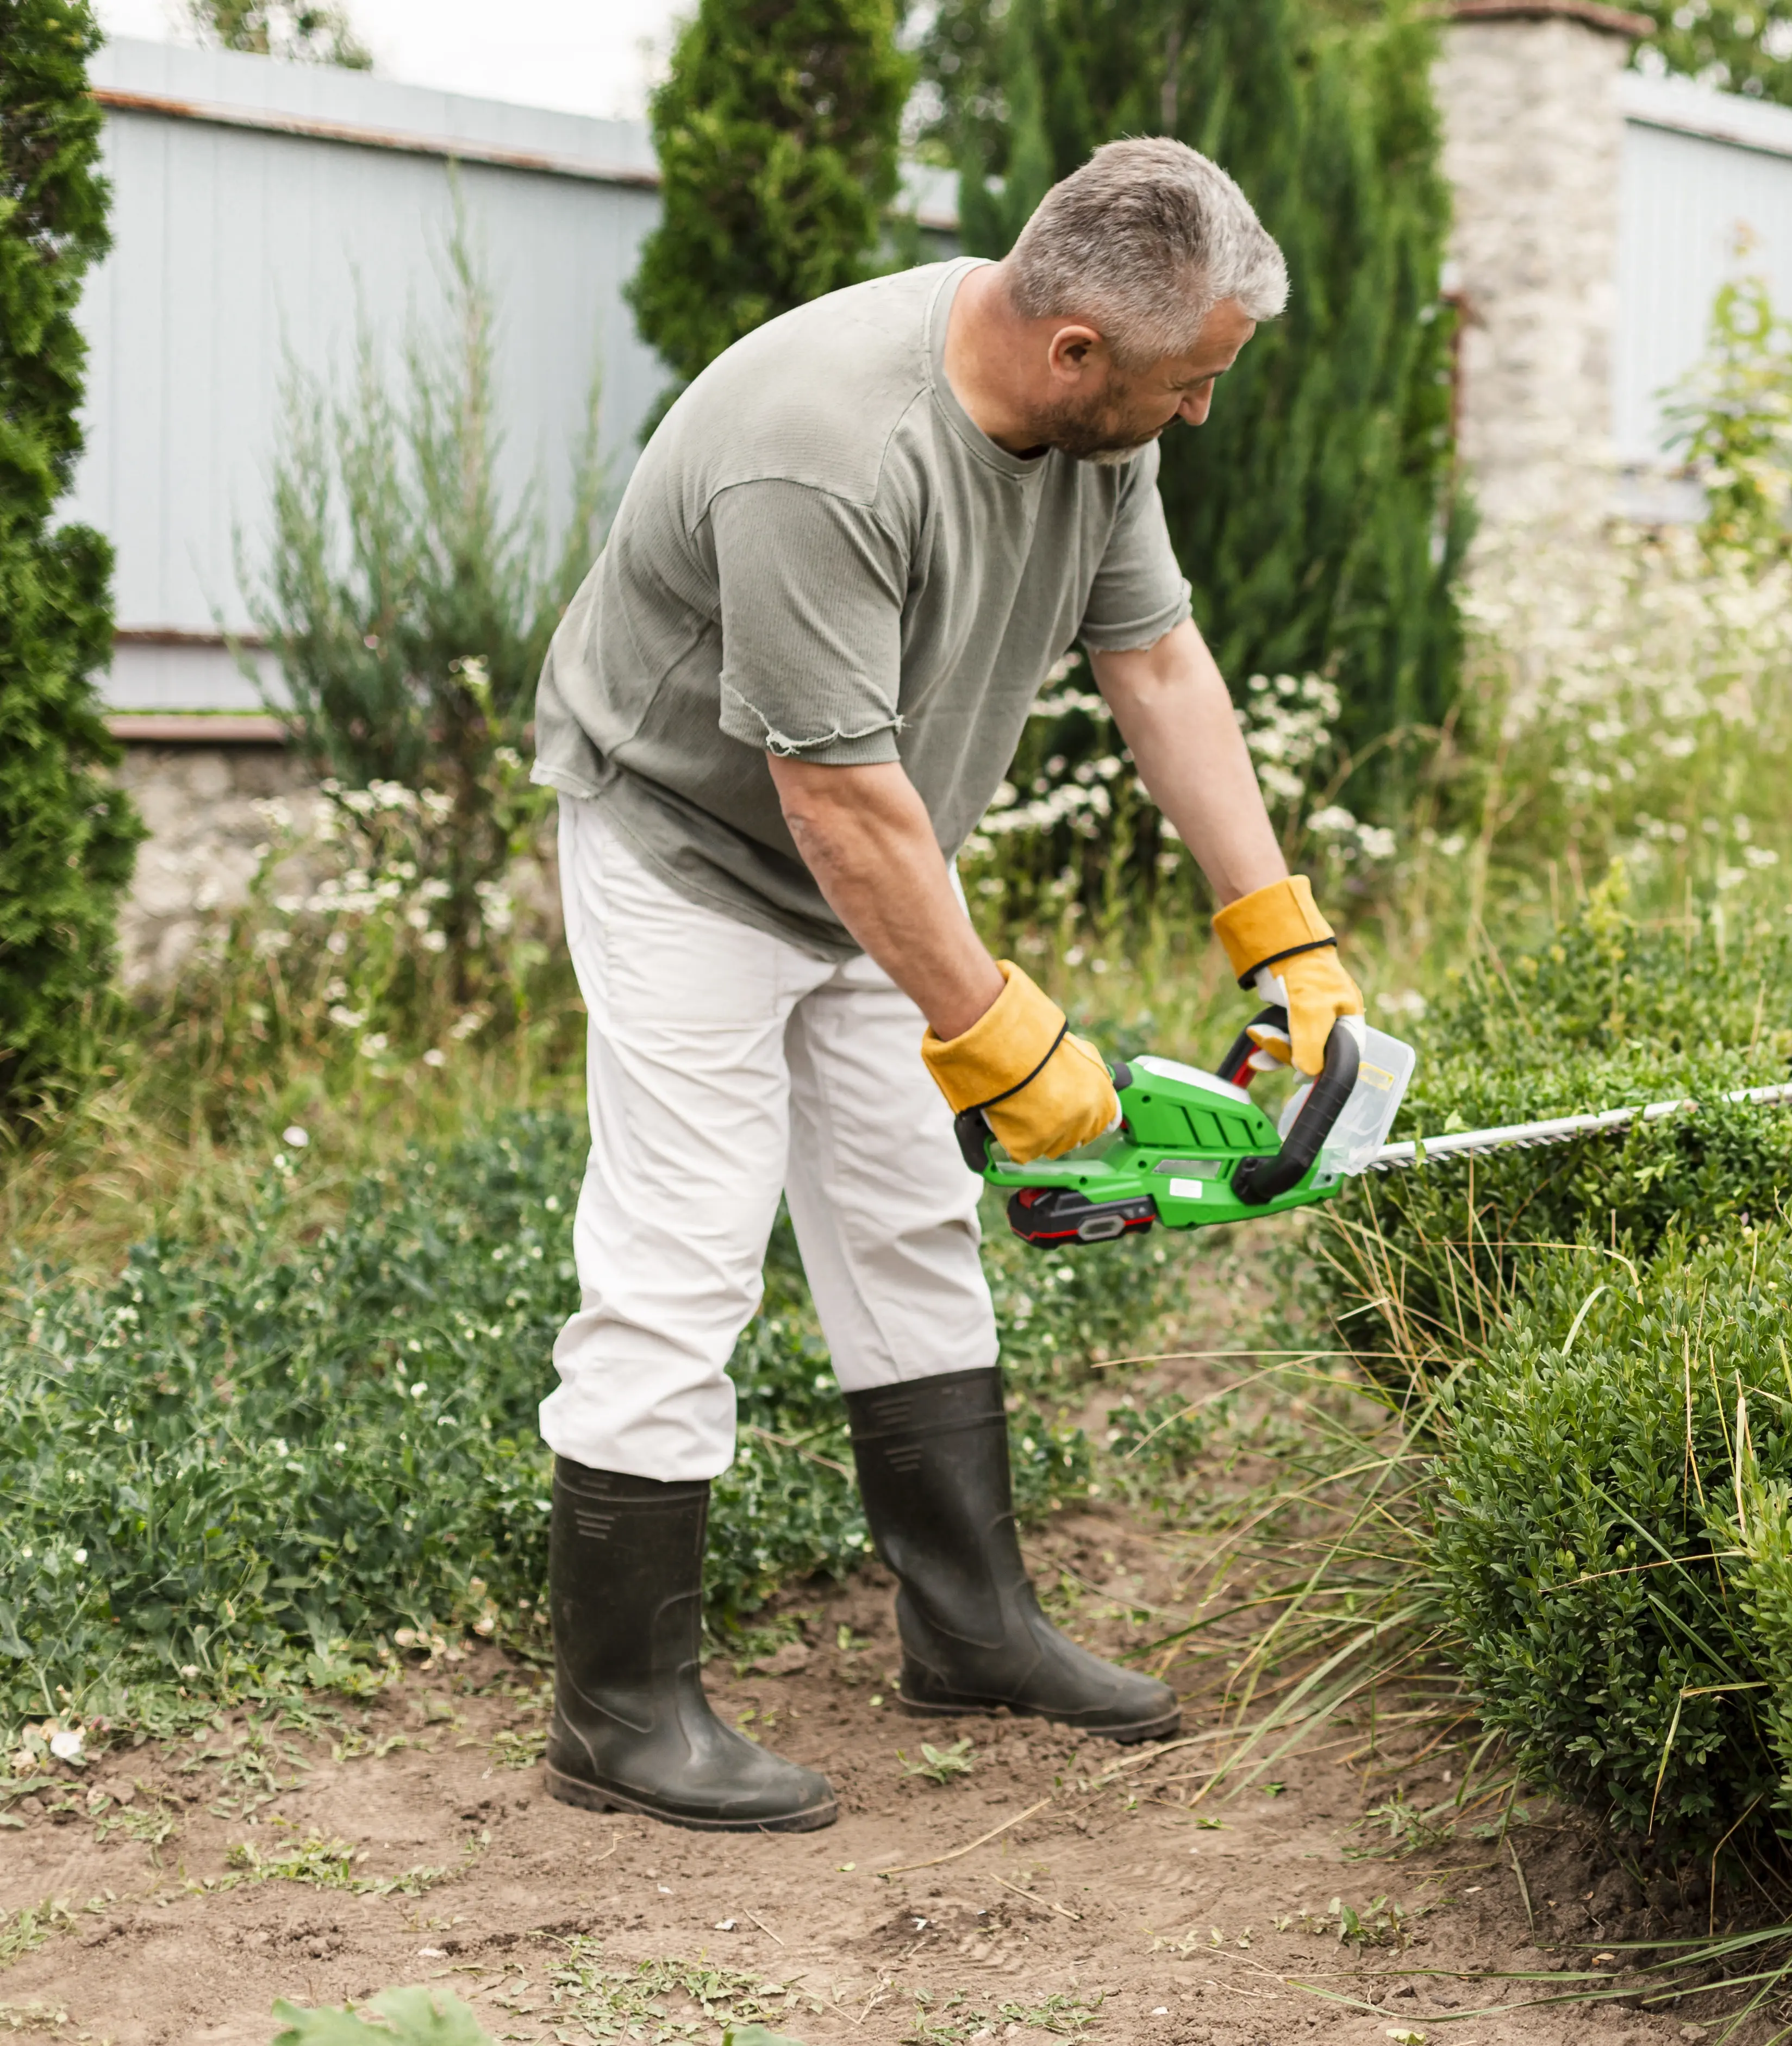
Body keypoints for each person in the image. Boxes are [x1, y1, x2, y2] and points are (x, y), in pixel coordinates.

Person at [525, 137, 1362, 1832]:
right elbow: (827, 799)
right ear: (1080, 353)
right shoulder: (828, 454)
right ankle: (616, 1707)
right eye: (1189, 384)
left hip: (872, 855)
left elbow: (1156, 660)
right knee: (683, 1250)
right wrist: (994, 1031)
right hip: (692, 846)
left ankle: (969, 1624)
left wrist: (1278, 925)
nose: (1198, 413)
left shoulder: (1088, 430)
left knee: (909, 1212)